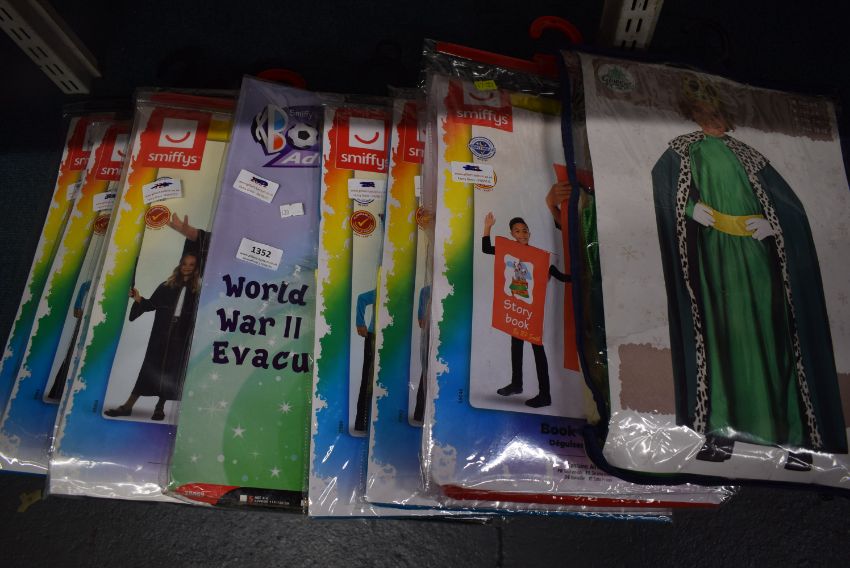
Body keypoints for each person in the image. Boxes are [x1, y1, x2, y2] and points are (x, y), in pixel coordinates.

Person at [652, 75, 846, 469]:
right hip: (714, 256)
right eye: (703, 111)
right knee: (722, 340)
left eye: (716, 111)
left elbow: (790, 207)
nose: (711, 118)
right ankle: (721, 434)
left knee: (774, 340)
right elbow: (663, 189)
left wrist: (774, 224)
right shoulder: (683, 150)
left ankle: (794, 441)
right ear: (693, 113)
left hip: (758, 258)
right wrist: (690, 209)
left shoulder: (749, 155)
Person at [105, 213, 209, 421]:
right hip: (162, 332)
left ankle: (159, 407)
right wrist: (138, 298)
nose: (187, 267)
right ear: (180, 265)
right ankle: (128, 405)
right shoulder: (167, 286)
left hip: (181, 334)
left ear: (196, 268)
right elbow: (151, 304)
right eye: (184, 263)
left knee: (172, 370)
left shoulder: (198, 290)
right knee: (149, 367)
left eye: (191, 264)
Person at [482, 213, 569, 408]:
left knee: (538, 349)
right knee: (516, 344)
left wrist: (574, 275)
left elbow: (559, 275)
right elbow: (486, 249)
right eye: (517, 231)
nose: (522, 234)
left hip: (531, 311)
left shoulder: (539, 257)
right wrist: (487, 227)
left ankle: (545, 395)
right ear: (512, 234)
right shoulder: (508, 251)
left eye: (524, 231)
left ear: (529, 233)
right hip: (515, 308)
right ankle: (517, 384)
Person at [46, 279, 91, 402]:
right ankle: (59, 391)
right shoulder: (91, 283)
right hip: (85, 320)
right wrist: (77, 307)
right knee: (72, 353)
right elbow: (85, 286)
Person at [353, 288, 376, 432]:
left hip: (393, 335)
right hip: (375, 336)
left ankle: (373, 423)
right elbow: (362, 298)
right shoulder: (384, 286)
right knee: (368, 380)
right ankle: (362, 423)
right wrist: (360, 323)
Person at [412, 285, 431, 424]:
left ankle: (420, 414)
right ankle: (420, 414)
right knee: (427, 372)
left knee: (427, 372)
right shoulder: (428, 290)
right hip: (433, 332)